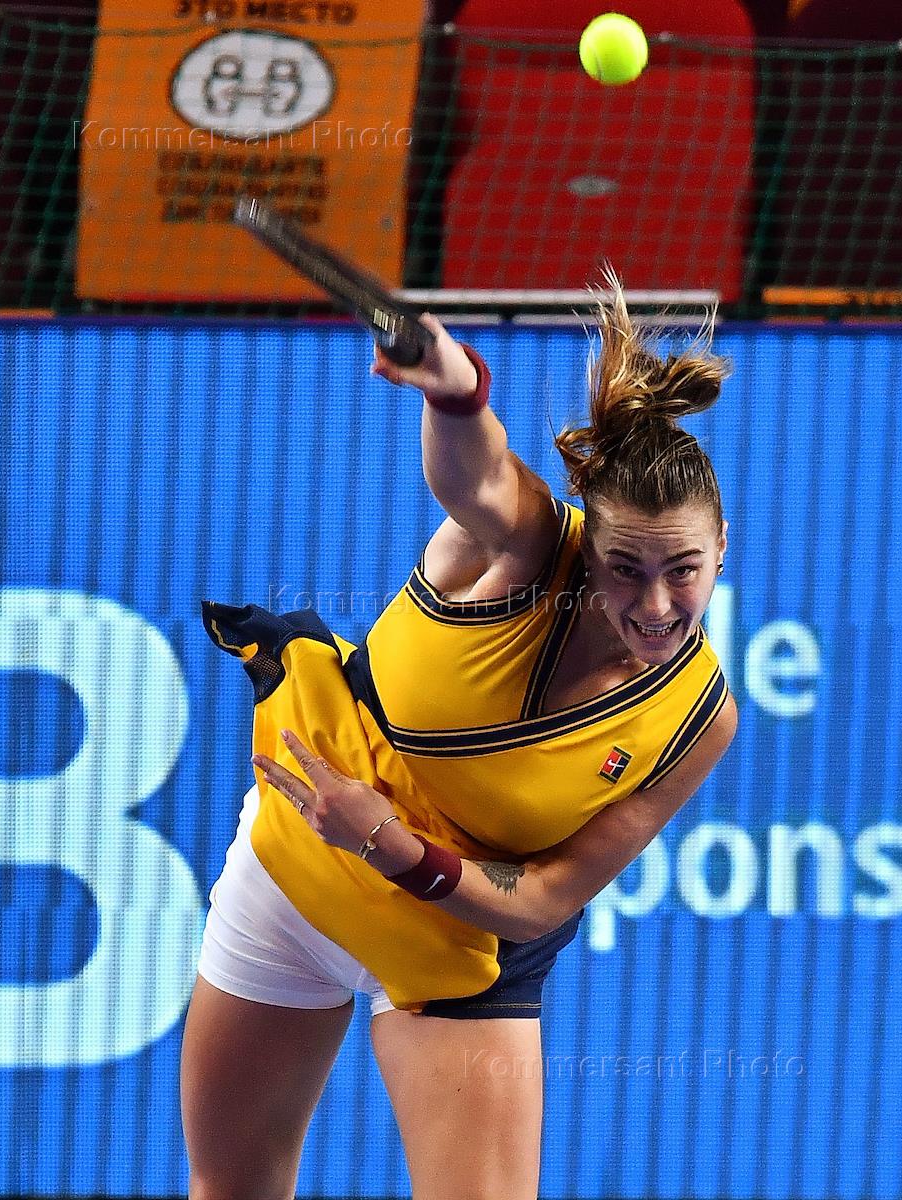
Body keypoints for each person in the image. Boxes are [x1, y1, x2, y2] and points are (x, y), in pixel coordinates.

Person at [181, 279, 739, 1200]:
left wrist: (385, 842)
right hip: (294, 881)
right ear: (585, 548)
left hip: (463, 946)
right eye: (622, 567)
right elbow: (474, 474)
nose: (653, 604)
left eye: (682, 570)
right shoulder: (523, 549)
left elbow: (544, 899)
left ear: (721, 548)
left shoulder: (699, 718)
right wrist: (453, 387)